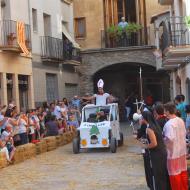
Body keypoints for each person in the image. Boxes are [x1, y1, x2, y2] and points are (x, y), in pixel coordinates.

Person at [137, 111, 171, 190]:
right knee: (162, 173)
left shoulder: (149, 128)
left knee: (157, 174)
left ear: (144, 118)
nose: (140, 118)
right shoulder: (155, 125)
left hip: (157, 154)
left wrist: (145, 146)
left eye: (141, 117)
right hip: (162, 152)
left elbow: (154, 143)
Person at [163, 102, 188, 190]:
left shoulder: (169, 124)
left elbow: (169, 139)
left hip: (173, 154)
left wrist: (163, 141)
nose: (164, 112)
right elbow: (184, 133)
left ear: (168, 111)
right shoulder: (180, 120)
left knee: (175, 176)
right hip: (181, 152)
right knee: (183, 174)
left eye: (165, 110)